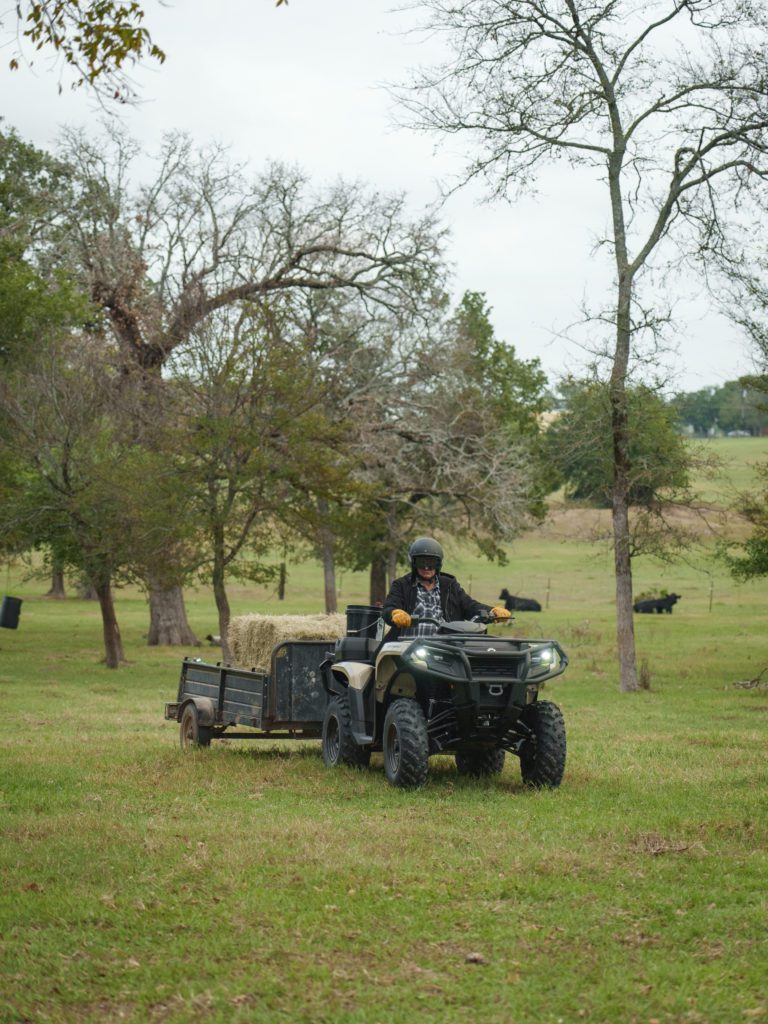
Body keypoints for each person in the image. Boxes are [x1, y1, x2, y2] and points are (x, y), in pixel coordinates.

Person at [382, 537, 511, 639]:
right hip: (408, 647)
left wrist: (492, 611)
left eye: (431, 563)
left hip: (446, 648)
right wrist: (395, 613)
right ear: (414, 564)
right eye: (422, 563)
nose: (427, 568)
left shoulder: (449, 585)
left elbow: (470, 606)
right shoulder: (401, 584)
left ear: (438, 565)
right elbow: (389, 608)